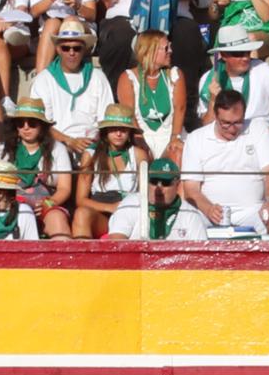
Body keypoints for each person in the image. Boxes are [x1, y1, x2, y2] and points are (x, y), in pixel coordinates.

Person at [181, 84, 269, 228]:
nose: (232, 129)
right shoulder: (196, 138)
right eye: (226, 123)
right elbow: (191, 189)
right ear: (215, 115)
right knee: (187, 221)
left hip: (253, 211)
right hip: (208, 213)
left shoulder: (258, 129)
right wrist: (208, 209)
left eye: (238, 122)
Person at [0, 95, 74, 236]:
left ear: (42, 125)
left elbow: (65, 188)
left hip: (46, 206)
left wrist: (48, 203)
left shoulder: (57, 149)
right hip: (10, 206)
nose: (26, 127)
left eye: (32, 123)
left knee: (57, 219)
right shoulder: (3, 150)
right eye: (20, 123)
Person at [30, 17, 114, 151]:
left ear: (85, 49)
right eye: (65, 48)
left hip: (92, 144)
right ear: (57, 49)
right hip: (56, 144)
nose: (71, 53)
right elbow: (40, 123)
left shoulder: (98, 77)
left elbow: (106, 119)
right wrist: (68, 141)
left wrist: (91, 144)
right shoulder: (44, 79)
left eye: (77, 48)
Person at [72, 103, 147, 237]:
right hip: (100, 212)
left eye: (123, 130)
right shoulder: (90, 155)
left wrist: (122, 208)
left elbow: (145, 193)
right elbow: (81, 200)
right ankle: (82, 257)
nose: (118, 134)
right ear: (105, 131)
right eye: (113, 129)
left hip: (129, 213)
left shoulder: (138, 154)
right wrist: (110, 208)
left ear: (130, 132)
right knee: (81, 213)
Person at [199, 22, 269, 130]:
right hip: (225, 137)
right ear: (224, 55)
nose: (245, 58)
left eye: (247, 52)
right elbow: (206, 128)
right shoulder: (208, 80)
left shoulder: (261, 69)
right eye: (239, 53)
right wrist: (213, 101)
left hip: (259, 135)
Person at [118, 28, 187, 160]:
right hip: (141, 135)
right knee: (141, 156)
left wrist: (174, 139)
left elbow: (180, 109)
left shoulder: (174, 74)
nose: (171, 51)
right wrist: (140, 140)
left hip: (170, 134)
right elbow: (129, 114)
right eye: (166, 48)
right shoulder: (128, 78)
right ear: (150, 51)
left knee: (177, 152)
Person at [108, 153, 212, 237]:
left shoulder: (190, 214)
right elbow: (116, 243)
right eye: (154, 181)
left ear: (177, 184)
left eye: (165, 183)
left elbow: (200, 258)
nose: (158, 188)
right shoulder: (130, 205)